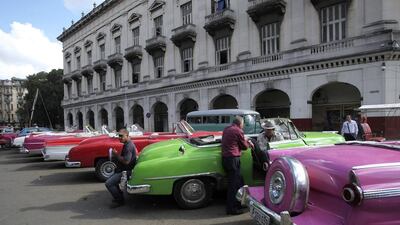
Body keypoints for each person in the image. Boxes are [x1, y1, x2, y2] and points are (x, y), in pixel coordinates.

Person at [221, 116, 253, 215]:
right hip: (233, 159)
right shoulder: (238, 131)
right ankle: (231, 209)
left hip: (225, 159)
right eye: (243, 125)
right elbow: (244, 147)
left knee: (239, 182)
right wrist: (249, 143)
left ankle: (239, 203)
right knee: (234, 185)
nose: (243, 126)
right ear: (240, 124)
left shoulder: (226, 129)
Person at [105, 128, 137, 208]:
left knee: (108, 183)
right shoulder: (127, 143)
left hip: (127, 171)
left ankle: (119, 201)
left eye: (121, 136)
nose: (119, 137)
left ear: (127, 135)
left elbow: (126, 161)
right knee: (112, 181)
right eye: (118, 136)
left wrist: (116, 155)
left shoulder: (128, 146)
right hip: (123, 169)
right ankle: (119, 196)